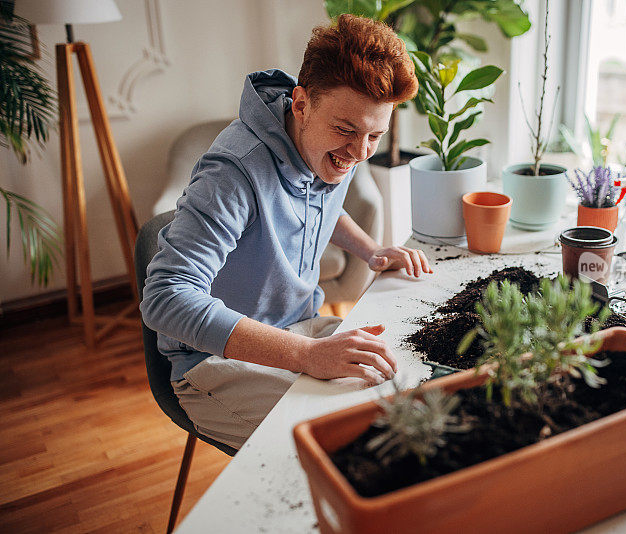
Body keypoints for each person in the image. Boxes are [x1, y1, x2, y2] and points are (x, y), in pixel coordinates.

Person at [140, 15, 430, 450]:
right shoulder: (233, 173)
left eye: (376, 135)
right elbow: (165, 299)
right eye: (347, 131)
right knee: (358, 445)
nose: (359, 152)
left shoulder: (327, 143)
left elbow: (318, 206)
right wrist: (308, 356)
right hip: (213, 363)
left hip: (302, 328)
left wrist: (372, 251)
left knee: (412, 390)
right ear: (300, 104)